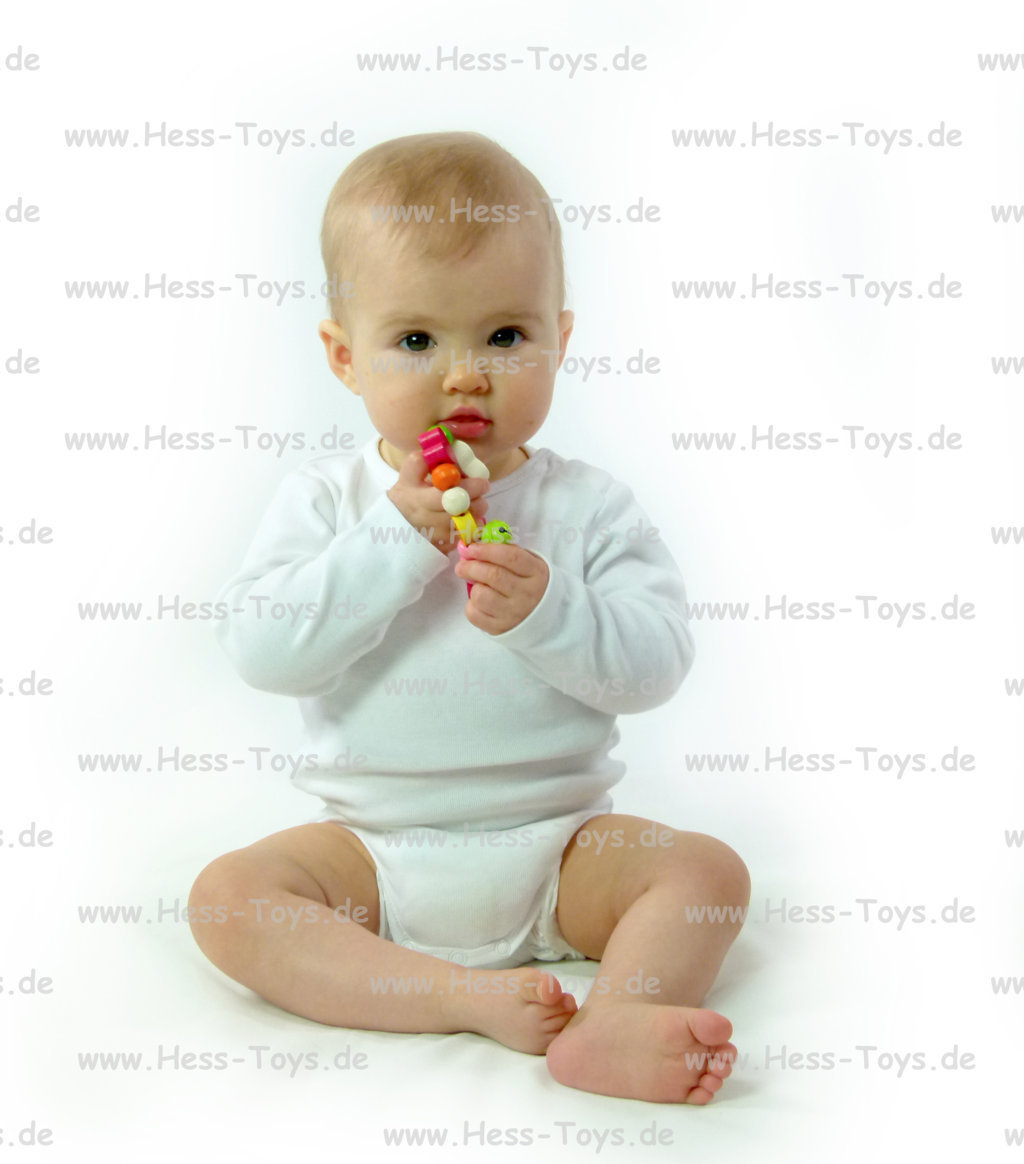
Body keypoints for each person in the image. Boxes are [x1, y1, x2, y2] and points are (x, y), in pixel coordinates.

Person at [188, 131, 750, 1104]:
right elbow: (265, 651)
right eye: (416, 341)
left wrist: (550, 610)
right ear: (344, 357)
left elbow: (655, 666)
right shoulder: (326, 501)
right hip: (371, 851)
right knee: (228, 902)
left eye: (504, 336)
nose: (465, 375)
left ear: (558, 339)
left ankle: (615, 1023)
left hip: (563, 846)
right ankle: (451, 997)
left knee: (706, 876)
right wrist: (393, 539)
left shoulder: (588, 507)